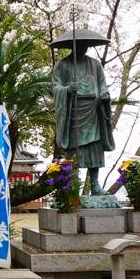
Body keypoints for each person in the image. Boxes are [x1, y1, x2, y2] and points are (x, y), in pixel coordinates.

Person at [53, 42, 115, 195]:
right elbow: (55, 86)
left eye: (85, 46)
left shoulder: (95, 64)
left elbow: (102, 84)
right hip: (73, 112)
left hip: (93, 111)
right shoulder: (62, 65)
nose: (83, 48)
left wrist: (104, 94)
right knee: (72, 151)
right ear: (72, 47)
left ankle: (95, 185)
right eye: (79, 45)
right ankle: (71, 187)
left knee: (95, 147)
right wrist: (67, 89)